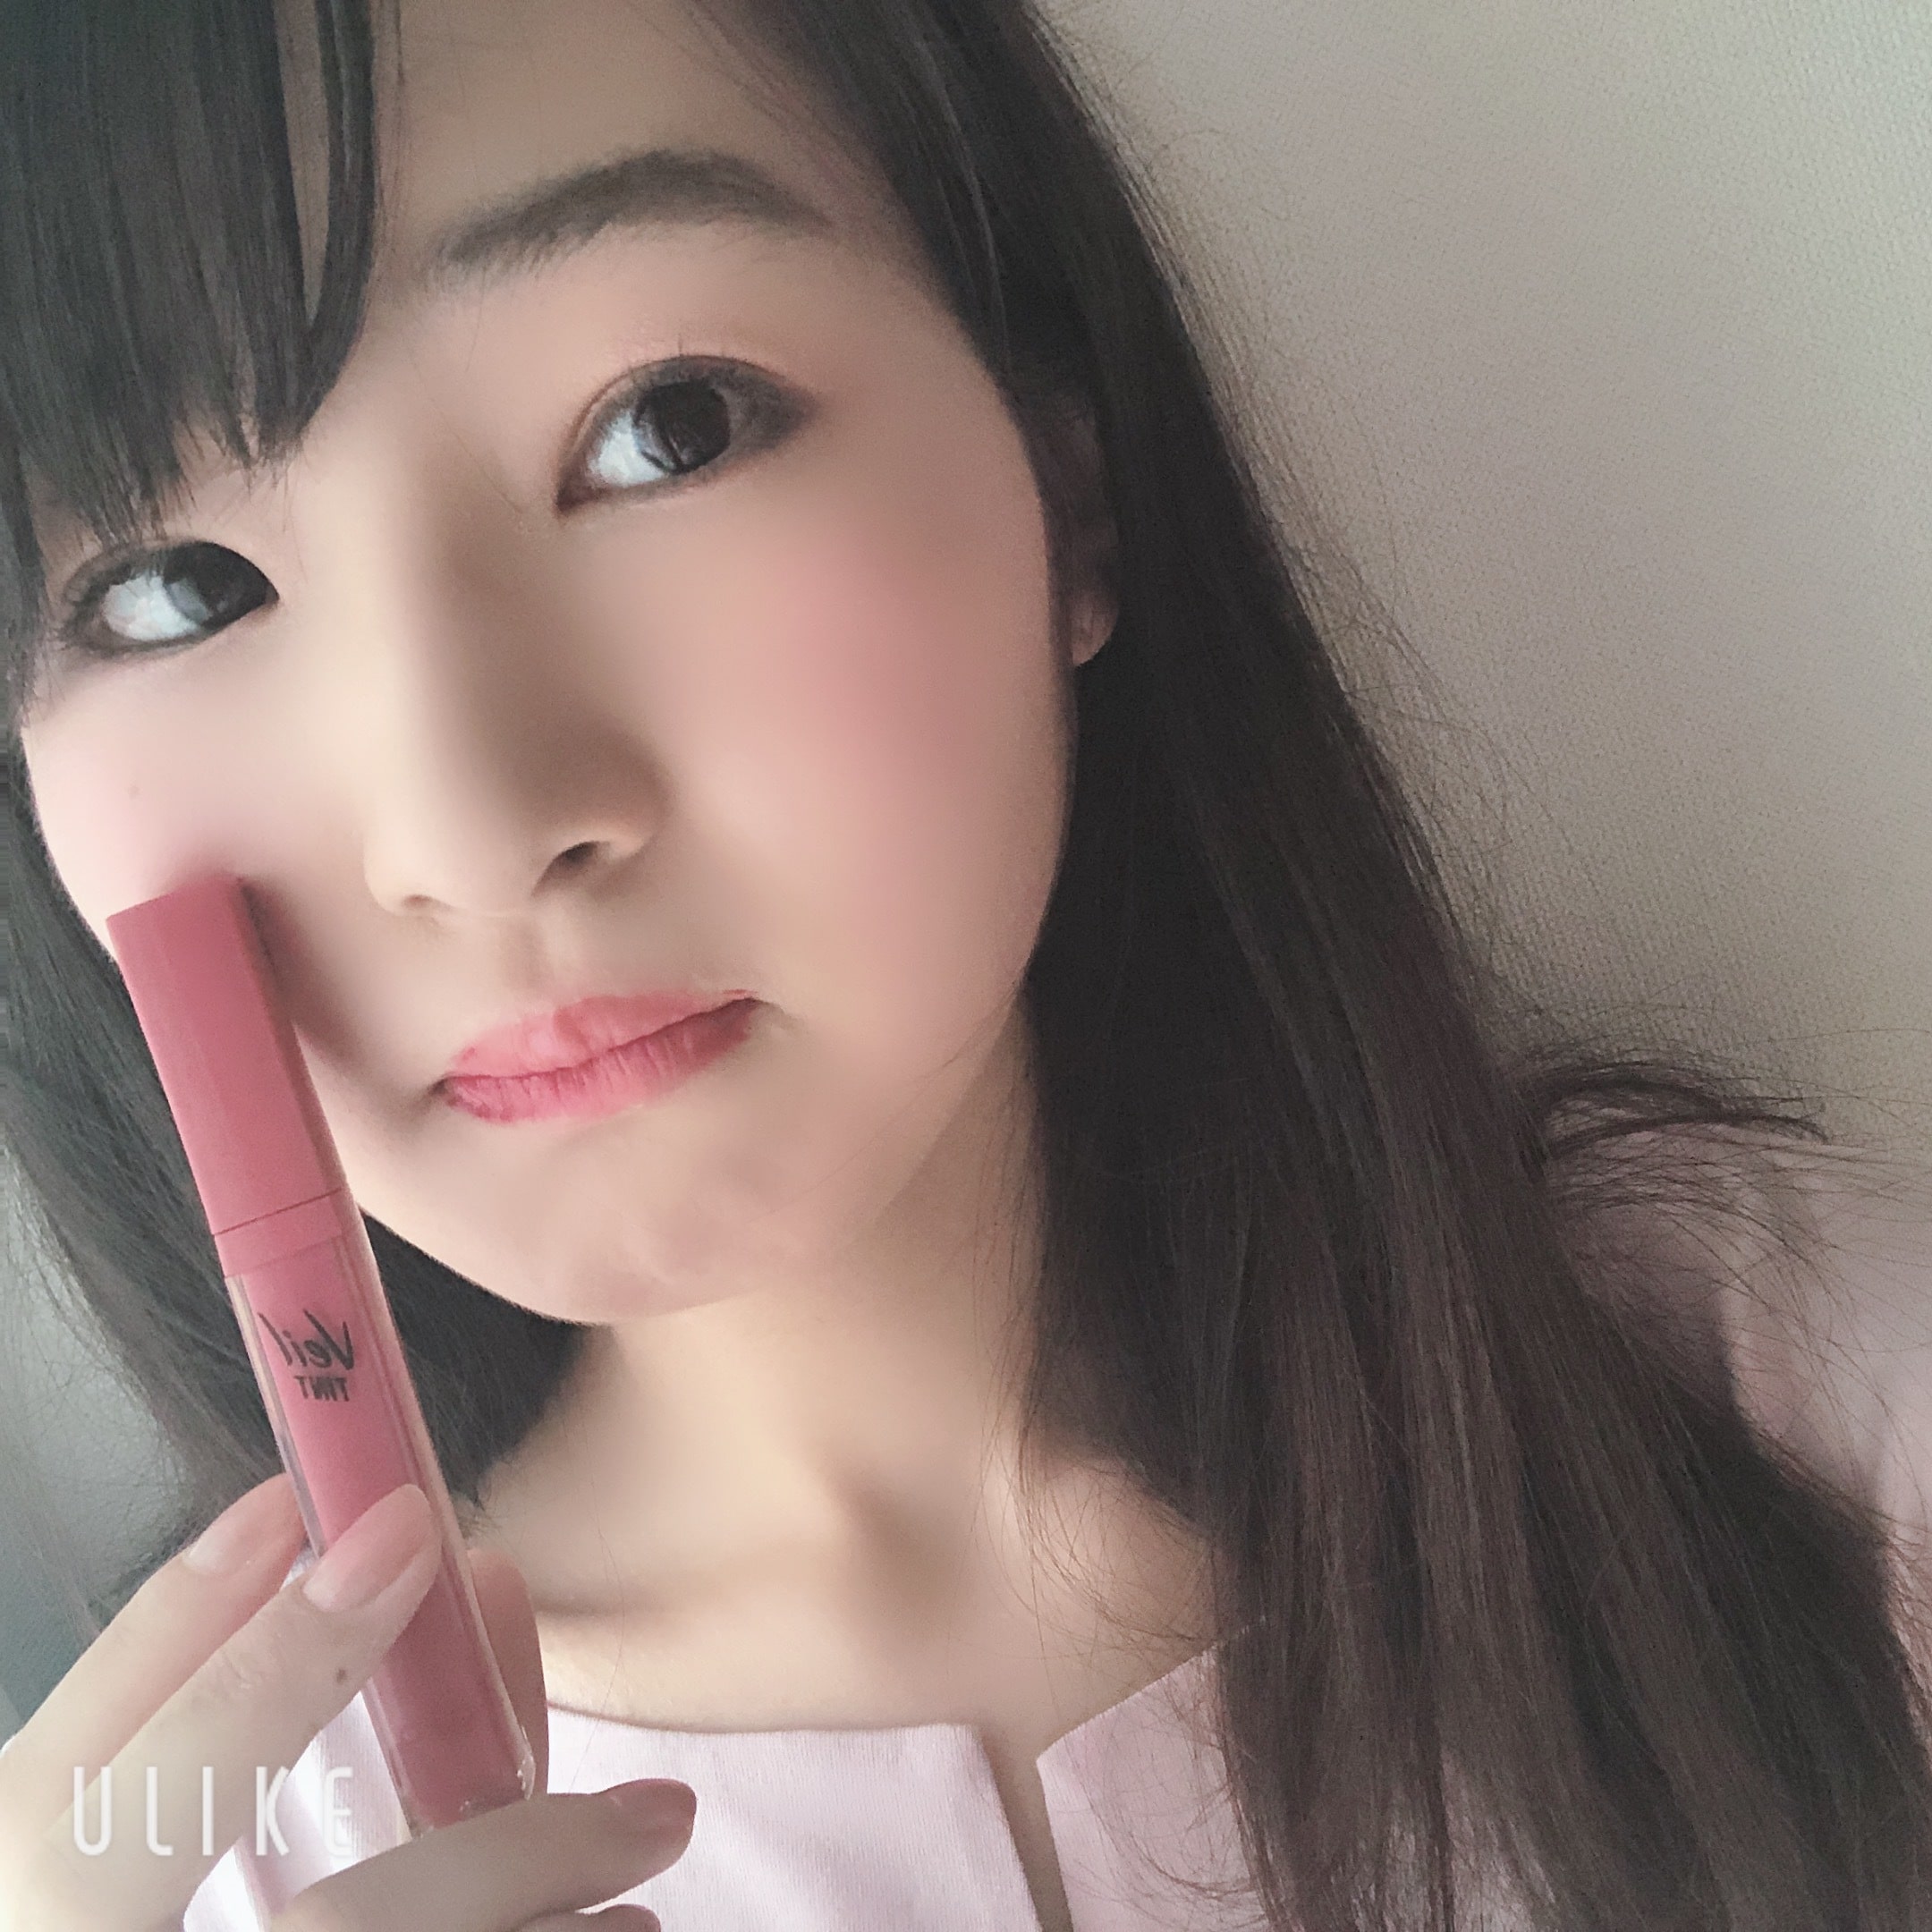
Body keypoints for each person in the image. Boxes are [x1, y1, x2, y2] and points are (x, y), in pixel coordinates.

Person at [1, 0, 1928, 1926]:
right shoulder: (223, 1865)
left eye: (672, 427)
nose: (476, 824)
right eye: (170, 593)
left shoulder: (1780, 1410)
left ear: (1070, 495)